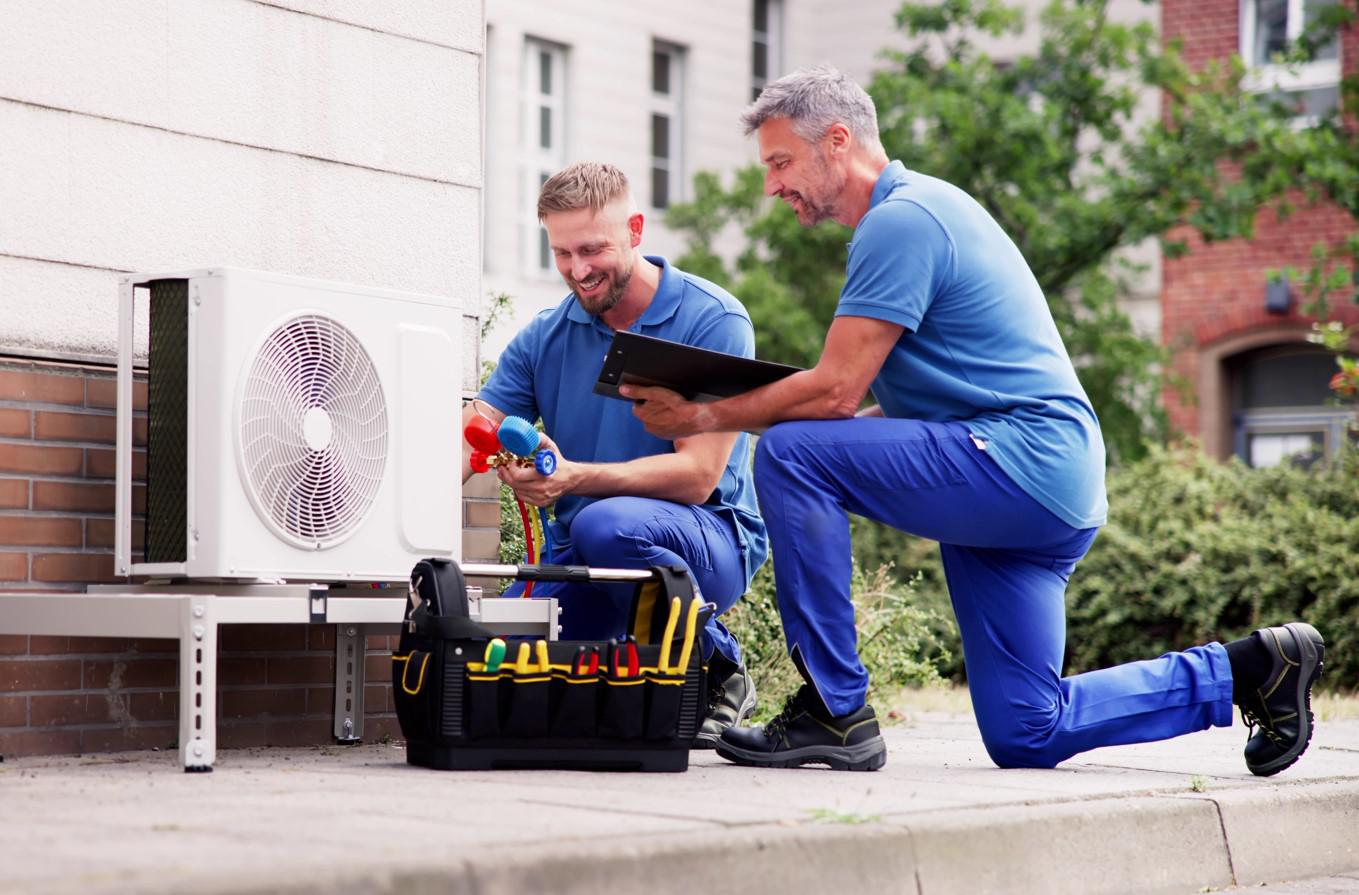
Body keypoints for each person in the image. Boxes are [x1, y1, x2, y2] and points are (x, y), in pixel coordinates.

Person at [626, 65, 1325, 774]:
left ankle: (832, 708)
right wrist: (818, 431)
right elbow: (874, 408)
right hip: (1039, 481)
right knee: (1026, 728)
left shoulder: (900, 221)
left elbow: (833, 394)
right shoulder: (921, 212)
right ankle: (1249, 669)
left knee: (791, 453)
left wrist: (704, 412)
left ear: (836, 141)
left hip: (1017, 460)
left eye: (780, 163)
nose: (772, 185)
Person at [463, 161, 768, 747]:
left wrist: (572, 478)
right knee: (487, 664)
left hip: (706, 541)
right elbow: (474, 427)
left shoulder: (711, 320)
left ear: (634, 229)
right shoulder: (546, 336)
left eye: (592, 249)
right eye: (562, 253)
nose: (578, 270)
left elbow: (699, 477)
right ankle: (646, 671)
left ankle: (717, 663)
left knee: (606, 521)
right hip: (584, 554)